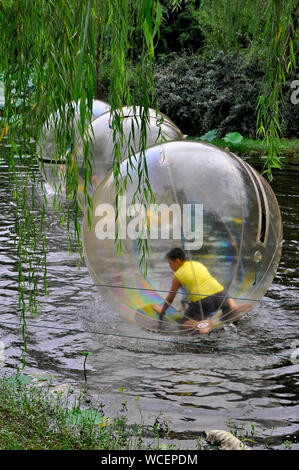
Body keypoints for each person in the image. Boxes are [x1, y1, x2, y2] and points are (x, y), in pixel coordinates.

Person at [152, 247, 252, 334]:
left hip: (204, 300)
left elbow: (171, 297)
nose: (170, 266)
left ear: (177, 261)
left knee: (183, 325)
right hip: (221, 294)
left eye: (170, 263)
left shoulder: (178, 274)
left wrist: (162, 310)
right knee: (226, 316)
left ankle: (204, 325)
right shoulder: (196, 264)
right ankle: (232, 308)